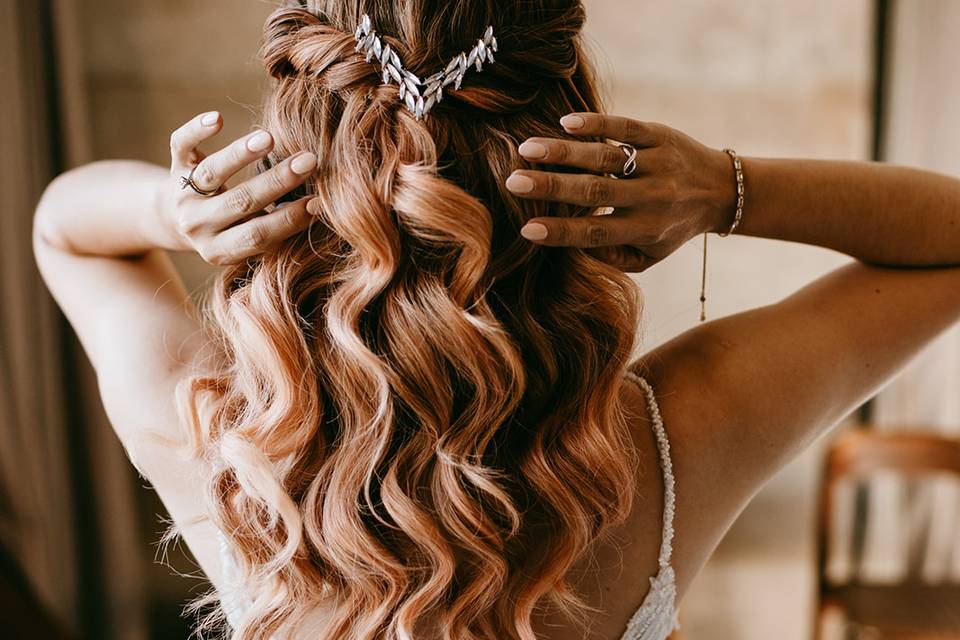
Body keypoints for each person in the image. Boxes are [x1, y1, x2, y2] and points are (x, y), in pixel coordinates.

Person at [31, 1, 960, 639]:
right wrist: (725, 188)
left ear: (309, 148)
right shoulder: (676, 440)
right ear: (568, 123)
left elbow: (61, 231)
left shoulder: (224, 446)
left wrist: (173, 212)